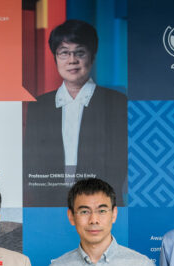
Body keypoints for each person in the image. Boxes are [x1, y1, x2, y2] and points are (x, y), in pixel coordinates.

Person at [23, 19, 127, 207]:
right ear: (55, 57)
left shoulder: (116, 103)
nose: (72, 60)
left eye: (80, 52)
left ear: (92, 56)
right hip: (49, 207)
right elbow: (32, 163)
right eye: (64, 53)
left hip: (102, 204)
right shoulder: (39, 106)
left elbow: (120, 164)